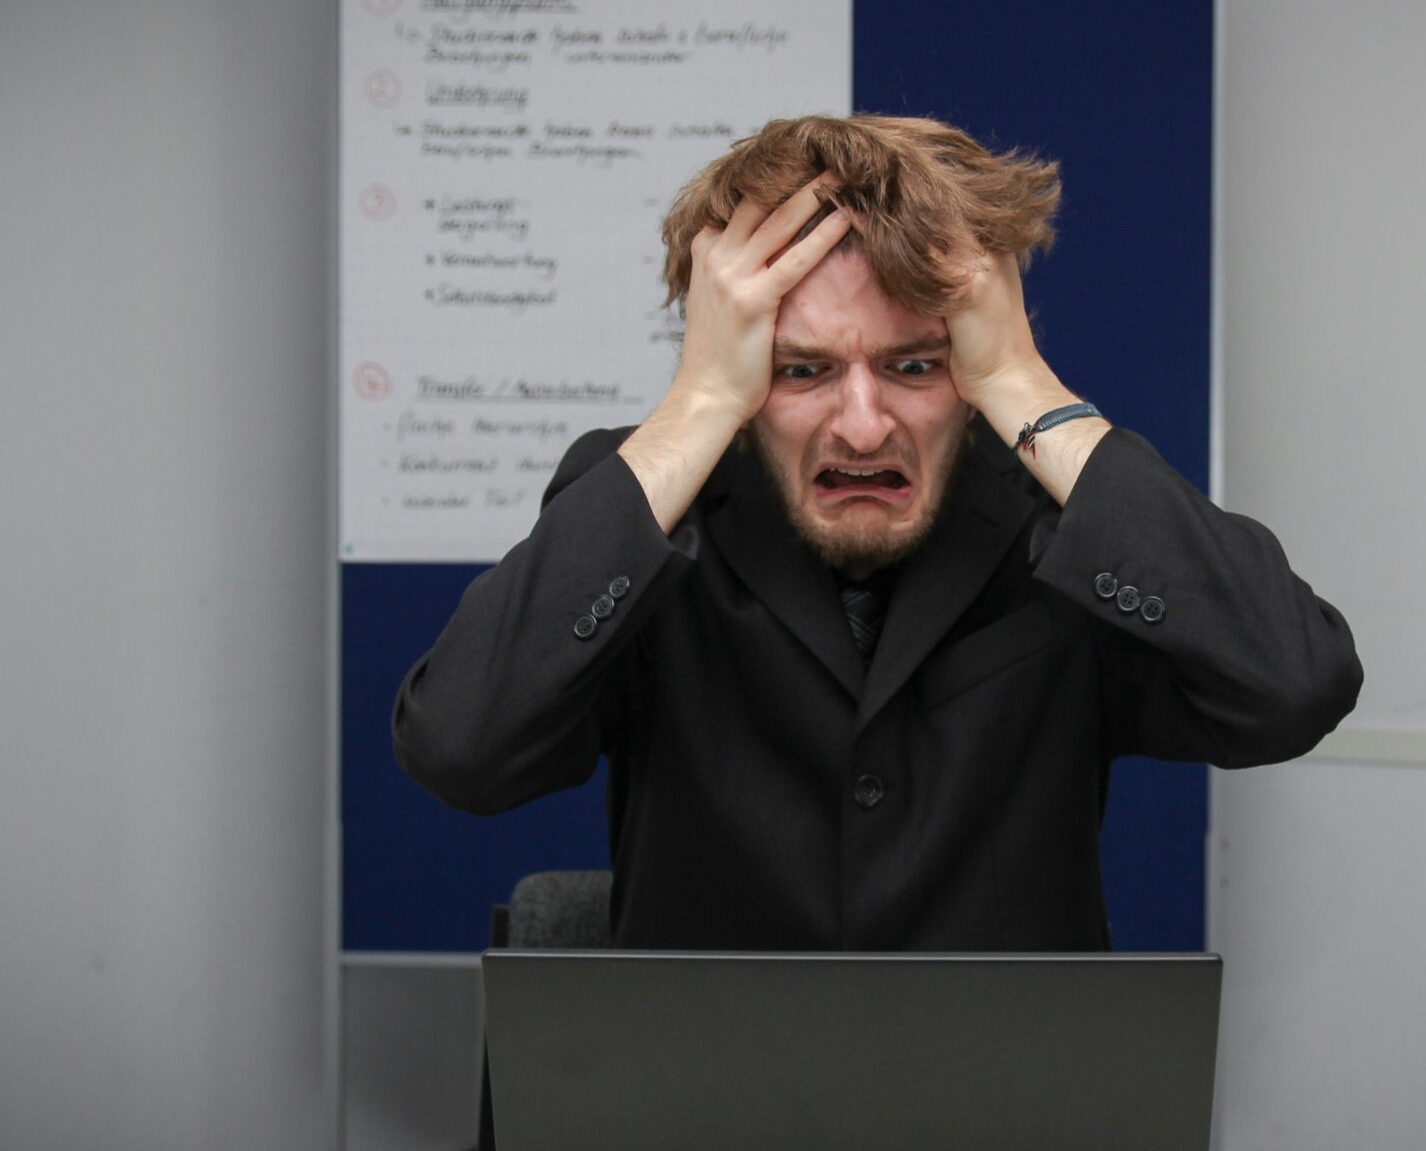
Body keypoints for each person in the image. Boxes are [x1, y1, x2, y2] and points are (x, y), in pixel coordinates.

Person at [394, 115, 1359, 950]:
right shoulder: (654, 514)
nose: (861, 425)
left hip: (1006, 1127)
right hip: (709, 1131)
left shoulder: (1056, 517)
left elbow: (1290, 685)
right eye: (801, 371)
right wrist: (698, 405)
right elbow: (462, 747)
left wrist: (1022, 387)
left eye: (914, 366)